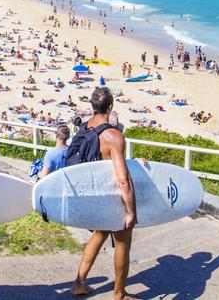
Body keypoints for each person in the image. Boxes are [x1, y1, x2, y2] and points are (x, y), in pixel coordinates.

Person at [70, 87, 137, 300]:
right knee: (123, 242)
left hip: (93, 194)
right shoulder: (113, 136)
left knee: (99, 234)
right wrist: (130, 211)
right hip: (111, 197)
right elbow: (123, 179)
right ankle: (119, 294)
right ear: (110, 107)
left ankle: (79, 284)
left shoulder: (84, 129)